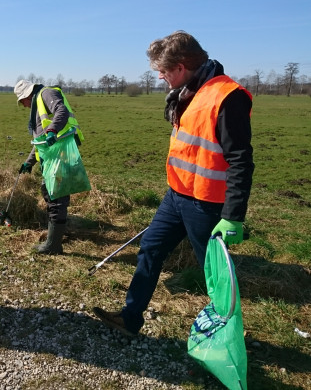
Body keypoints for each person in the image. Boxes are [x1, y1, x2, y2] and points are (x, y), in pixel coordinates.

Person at [93, 31, 254, 336]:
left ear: (181, 67)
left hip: (206, 204)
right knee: (150, 249)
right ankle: (130, 318)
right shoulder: (186, 94)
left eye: (163, 71)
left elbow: (241, 160)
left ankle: (227, 340)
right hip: (176, 196)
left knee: (215, 274)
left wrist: (233, 215)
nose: (160, 78)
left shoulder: (227, 96)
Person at [14, 80, 85, 254]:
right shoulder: (38, 102)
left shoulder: (46, 94)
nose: (23, 105)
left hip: (61, 152)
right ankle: (58, 234)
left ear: (28, 94)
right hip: (54, 153)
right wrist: (28, 162)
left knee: (55, 195)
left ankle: (53, 245)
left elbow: (62, 111)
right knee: (51, 192)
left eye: (22, 100)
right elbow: (41, 140)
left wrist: (52, 130)